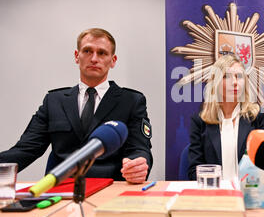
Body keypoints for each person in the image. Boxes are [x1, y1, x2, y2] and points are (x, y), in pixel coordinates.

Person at [0, 28, 152, 183]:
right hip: (59, 188)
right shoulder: (54, 101)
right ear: (76, 56)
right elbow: (26, 149)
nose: (94, 58)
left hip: (110, 187)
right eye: (87, 51)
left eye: (102, 53)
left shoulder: (131, 101)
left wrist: (137, 165)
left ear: (113, 60)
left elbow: (139, 149)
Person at [188, 54, 264, 181]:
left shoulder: (258, 119)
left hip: (250, 193)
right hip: (215, 195)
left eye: (239, 76)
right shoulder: (200, 122)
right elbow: (194, 171)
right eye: (227, 77)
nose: (234, 82)